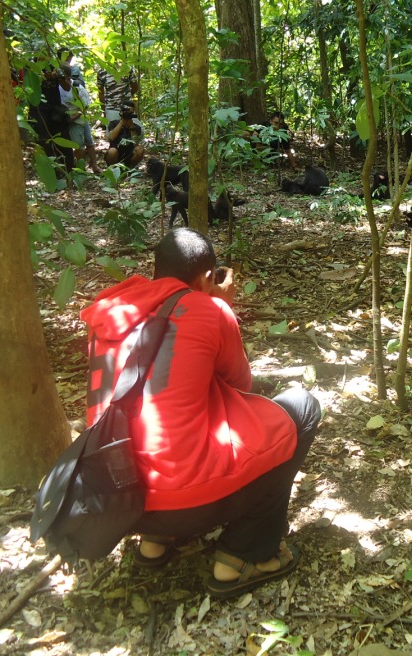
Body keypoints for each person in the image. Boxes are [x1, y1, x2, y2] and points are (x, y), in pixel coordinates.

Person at [80, 228, 321, 598]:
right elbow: (242, 385)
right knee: (302, 409)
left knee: (165, 414)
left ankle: (156, 540)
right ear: (208, 277)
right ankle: (244, 554)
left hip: (117, 497)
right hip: (183, 497)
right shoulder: (209, 308)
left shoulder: (112, 310)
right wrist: (222, 304)